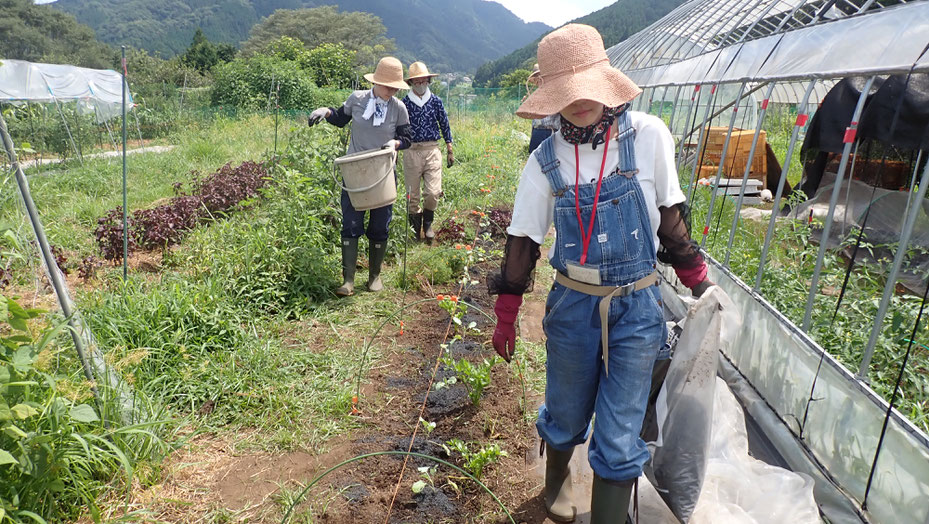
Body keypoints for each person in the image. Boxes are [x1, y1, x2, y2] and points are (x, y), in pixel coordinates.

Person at [488, 24, 713, 523]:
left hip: (637, 305)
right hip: (573, 305)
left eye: (586, 88)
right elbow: (523, 239)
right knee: (566, 411)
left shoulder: (648, 135)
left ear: (606, 82)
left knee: (620, 431)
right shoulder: (545, 160)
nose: (579, 102)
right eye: (564, 94)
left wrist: (699, 280)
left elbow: (670, 216)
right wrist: (507, 314)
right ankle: (558, 478)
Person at [308, 56, 412, 296]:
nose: (392, 91)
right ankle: (348, 280)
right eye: (388, 86)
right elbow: (341, 118)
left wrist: (395, 143)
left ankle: (374, 276)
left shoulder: (399, 108)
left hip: (383, 172)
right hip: (356, 170)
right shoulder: (357, 100)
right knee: (351, 221)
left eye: (395, 87)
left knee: (379, 224)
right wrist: (325, 111)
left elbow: (408, 139)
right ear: (375, 83)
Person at [401, 61, 454, 241]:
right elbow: (398, 127)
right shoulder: (404, 103)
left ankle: (428, 224)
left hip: (432, 149)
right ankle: (416, 230)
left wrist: (449, 146)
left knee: (433, 192)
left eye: (424, 81)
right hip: (411, 150)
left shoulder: (436, 101)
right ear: (411, 83)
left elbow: (444, 123)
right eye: (417, 81)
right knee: (412, 195)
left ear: (428, 81)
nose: (421, 84)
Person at [526, 64, 561, 154]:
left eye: (540, 77)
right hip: (537, 130)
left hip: (550, 131)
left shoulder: (555, 93)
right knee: (536, 158)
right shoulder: (536, 94)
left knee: (550, 158)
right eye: (536, 78)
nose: (538, 80)